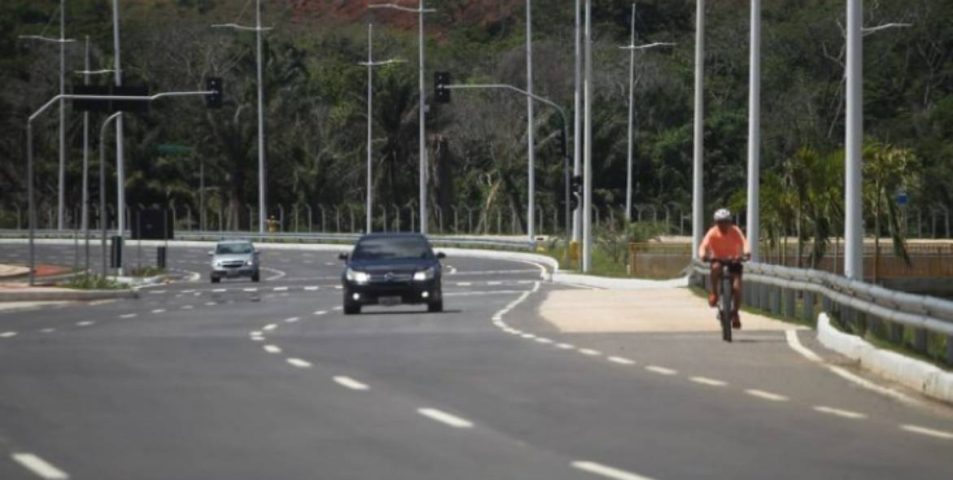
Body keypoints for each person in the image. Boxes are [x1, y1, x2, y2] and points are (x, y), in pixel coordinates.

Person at [698, 208, 751, 329]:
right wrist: (703, 255)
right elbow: (703, 245)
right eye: (720, 222)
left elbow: (744, 242)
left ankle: (735, 313)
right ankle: (714, 293)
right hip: (718, 259)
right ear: (716, 222)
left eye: (726, 221)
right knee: (715, 267)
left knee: (737, 288)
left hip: (734, 260)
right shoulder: (712, 232)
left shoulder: (735, 231)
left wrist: (747, 253)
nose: (723, 225)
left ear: (729, 222)